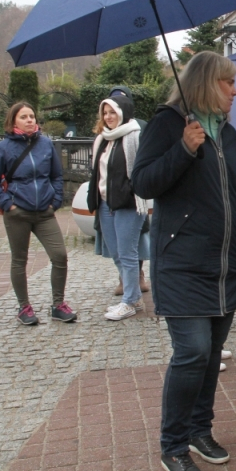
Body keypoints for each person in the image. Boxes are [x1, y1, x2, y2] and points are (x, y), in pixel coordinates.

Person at [131, 51, 236, 471]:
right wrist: (183, 152)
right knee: (192, 352)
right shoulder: (169, 124)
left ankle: (199, 430)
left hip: (225, 265)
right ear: (208, 83)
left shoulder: (227, 133)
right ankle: (173, 444)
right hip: (182, 263)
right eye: (229, 83)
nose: (235, 91)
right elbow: (143, 182)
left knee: (210, 358)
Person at [0, 102, 76, 326]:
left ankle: (57, 305)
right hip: (18, 212)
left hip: (44, 211)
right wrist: (8, 205)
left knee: (60, 255)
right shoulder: (3, 148)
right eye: (24, 117)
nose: (29, 120)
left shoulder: (45, 144)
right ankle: (24, 307)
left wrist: (55, 201)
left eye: (32, 116)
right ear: (13, 121)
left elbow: (56, 176)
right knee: (19, 260)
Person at [87, 94, 149, 320]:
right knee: (115, 252)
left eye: (112, 112)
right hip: (105, 202)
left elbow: (142, 169)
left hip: (128, 203)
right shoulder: (102, 138)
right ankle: (133, 296)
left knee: (127, 252)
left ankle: (130, 300)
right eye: (105, 113)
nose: (108, 117)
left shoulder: (134, 135)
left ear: (123, 113)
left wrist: (131, 190)